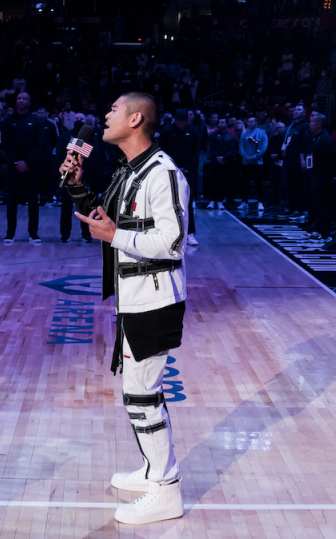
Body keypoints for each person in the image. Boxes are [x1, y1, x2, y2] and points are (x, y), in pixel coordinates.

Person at [60, 91, 189, 525]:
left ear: (136, 119)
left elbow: (170, 244)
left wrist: (115, 237)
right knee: (138, 393)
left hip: (156, 300)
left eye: (113, 109)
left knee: (141, 395)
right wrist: (78, 188)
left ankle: (166, 489)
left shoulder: (163, 174)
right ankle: (155, 471)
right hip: (134, 297)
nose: (105, 115)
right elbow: (106, 220)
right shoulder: (129, 171)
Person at [1, 92, 44, 244]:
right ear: (16, 101)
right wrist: (17, 162)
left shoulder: (36, 120)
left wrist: (26, 162)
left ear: (29, 102)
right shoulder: (8, 120)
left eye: (25, 98)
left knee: (33, 200)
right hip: (14, 167)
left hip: (31, 166)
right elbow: (5, 144)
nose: (21, 100)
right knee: (12, 200)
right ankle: (10, 233)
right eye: (19, 98)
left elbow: (39, 145)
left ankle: (33, 233)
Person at [158, 109, 200, 245]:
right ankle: (169, 233)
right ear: (175, 120)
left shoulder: (193, 132)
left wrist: (185, 168)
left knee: (187, 201)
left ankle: (190, 233)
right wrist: (174, 167)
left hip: (188, 172)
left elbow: (196, 153)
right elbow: (162, 153)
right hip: (169, 171)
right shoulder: (166, 131)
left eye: (184, 123)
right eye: (179, 122)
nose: (181, 125)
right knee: (168, 202)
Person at [56, 113, 91, 243]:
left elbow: (94, 155)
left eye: (81, 119)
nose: (79, 121)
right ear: (73, 121)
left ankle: (86, 234)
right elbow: (60, 154)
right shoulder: (65, 136)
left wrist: (83, 168)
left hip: (84, 177)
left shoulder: (89, 138)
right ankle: (65, 234)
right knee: (66, 206)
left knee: (85, 207)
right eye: (77, 119)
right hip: (68, 176)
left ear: (84, 121)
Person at [304, 113, 336, 240]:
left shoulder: (325, 139)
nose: (310, 123)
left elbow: (333, 161)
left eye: (312, 122)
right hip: (315, 176)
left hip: (322, 178)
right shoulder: (316, 137)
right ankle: (317, 228)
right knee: (317, 204)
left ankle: (325, 232)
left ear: (319, 124)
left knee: (323, 206)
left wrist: (326, 177)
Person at [283, 105, 310, 218]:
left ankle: (300, 208)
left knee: (299, 185)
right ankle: (291, 206)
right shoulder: (292, 126)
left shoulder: (305, 126)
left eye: (298, 110)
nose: (295, 111)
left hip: (298, 160)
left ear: (304, 113)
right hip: (289, 159)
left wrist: (302, 159)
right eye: (295, 109)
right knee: (290, 184)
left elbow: (304, 144)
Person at [206, 117, 238, 209]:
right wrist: (218, 157)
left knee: (223, 182)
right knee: (213, 181)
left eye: (223, 122)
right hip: (215, 162)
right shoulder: (213, 136)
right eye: (219, 122)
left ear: (226, 124)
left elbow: (231, 150)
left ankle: (220, 201)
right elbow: (212, 149)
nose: (220, 124)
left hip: (226, 162)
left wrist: (223, 157)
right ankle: (212, 200)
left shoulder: (231, 137)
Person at [238, 116, 268, 211]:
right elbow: (241, 147)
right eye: (248, 121)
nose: (249, 123)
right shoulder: (244, 135)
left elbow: (264, 147)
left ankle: (260, 202)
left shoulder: (262, 133)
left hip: (257, 162)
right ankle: (244, 202)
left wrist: (254, 157)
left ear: (255, 122)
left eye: (251, 121)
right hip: (246, 162)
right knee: (245, 183)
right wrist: (246, 156)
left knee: (259, 183)